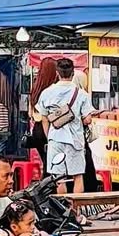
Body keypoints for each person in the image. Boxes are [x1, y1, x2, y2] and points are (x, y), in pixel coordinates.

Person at [36, 57, 95, 195]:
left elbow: (44, 118)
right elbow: (87, 120)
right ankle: (76, 210)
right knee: (78, 176)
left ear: (57, 73)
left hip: (55, 139)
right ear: (73, 73)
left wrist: (49, 137)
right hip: (75, 140)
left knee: (58, 178)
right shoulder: (81, 94)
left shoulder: (47, 93)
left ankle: (62, 211)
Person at [28, 57, 58, 168]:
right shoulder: (52, 91)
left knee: (47, 162)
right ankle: (49, 184)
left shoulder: (35, 88)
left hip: (37, 129)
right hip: (48, 128)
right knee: (53, 164)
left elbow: (30, 113)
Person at [73, 69, 99, 192]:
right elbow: (87, 119)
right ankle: (83, 199)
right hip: (79, 138)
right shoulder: (83, 95)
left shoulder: (61, 93)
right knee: (82, 170)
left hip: (63, 138)